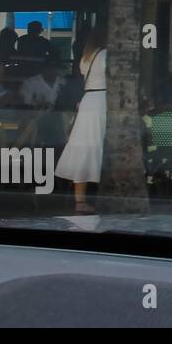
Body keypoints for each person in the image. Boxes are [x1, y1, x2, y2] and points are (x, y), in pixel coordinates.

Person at [55, 24, 107, 214]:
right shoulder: (104, 56)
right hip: (101, 100)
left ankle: (80, 201)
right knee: (96, 145)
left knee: (82, 147)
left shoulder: (87, 57)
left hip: (88, 100)